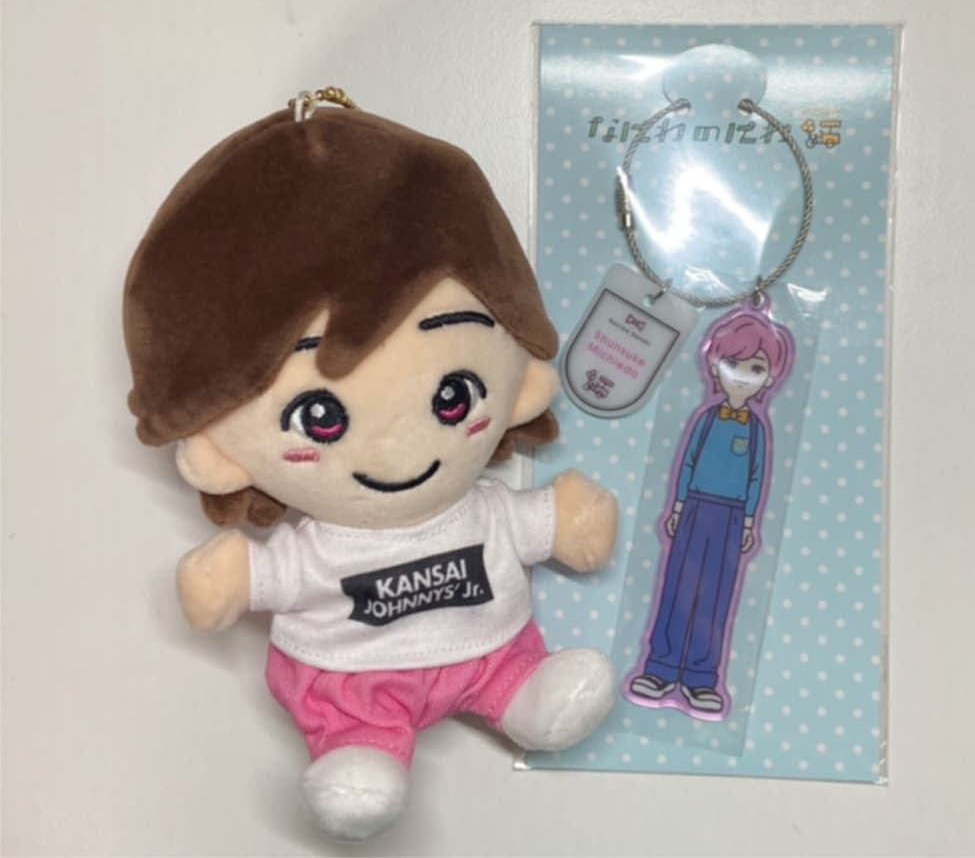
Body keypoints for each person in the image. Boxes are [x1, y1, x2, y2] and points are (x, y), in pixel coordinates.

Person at [123, 103, 618, 839]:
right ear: (220, 454)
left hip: (493, 649)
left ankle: (523, 696)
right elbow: (272, 574)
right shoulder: (320, 547)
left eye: (454, 397)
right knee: (359, 761)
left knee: (519, 676)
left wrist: (565, 520)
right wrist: (233, 578)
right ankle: (359, 746)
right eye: (320, 417)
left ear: (521, 384)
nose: (398, 454)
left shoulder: (479, 510)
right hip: (354, 680)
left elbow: (533, 523)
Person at [628, 308, 794, 715]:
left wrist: (750, 521)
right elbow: (687, 462)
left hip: (732, 517)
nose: (742, 376)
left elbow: (757, 477)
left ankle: (701, 677)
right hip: (695, 509)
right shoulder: (705, 418)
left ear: (769, 378)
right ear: (715, 365)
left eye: (755, 368)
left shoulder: (756, 429)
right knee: (677, 587)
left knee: (717, 596)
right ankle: (660, 668)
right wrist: (678, 505)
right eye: (733, 363)